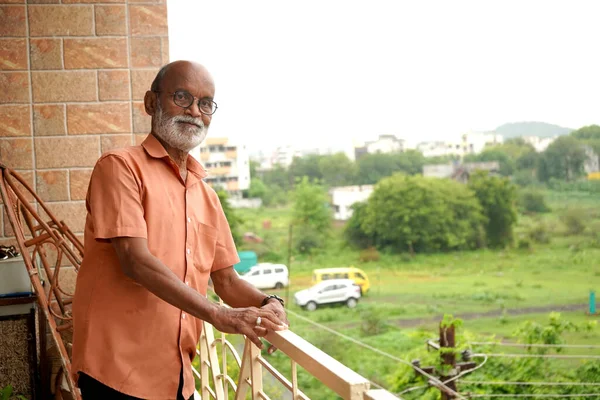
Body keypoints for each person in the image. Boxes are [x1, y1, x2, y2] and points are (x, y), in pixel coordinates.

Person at [71, 61, 288, 400]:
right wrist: (219, 314)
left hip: (178, 376)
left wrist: (267, 302)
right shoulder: (119, 167)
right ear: (150, 102)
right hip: (116, 371)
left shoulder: (206, 195)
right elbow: (134, 260)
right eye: (182, 97)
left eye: (205, 104)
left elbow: (227, 281)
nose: (193, 111)